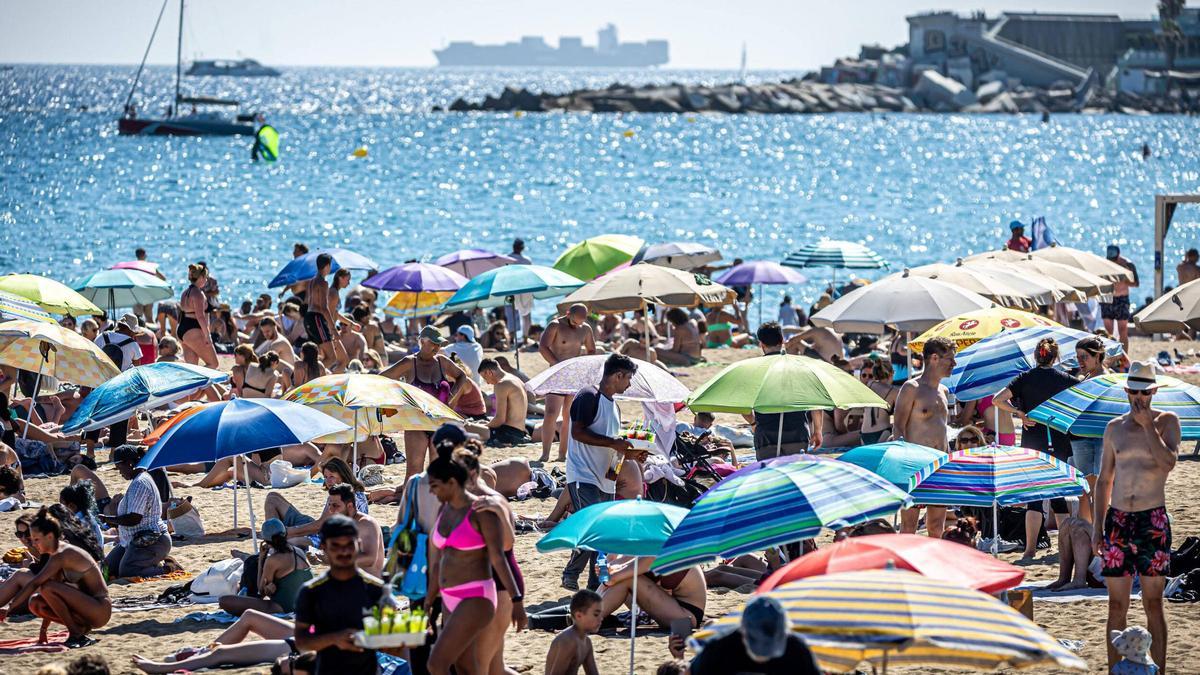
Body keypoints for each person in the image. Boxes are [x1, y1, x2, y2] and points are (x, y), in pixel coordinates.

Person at [1094, 361, 1179, 673]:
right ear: (1126, 390)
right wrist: (1097, 527)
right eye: (1133, 391)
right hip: (1118, 521)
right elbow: (1104, 480)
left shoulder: (1167, 422)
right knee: (1116, 606)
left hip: (1152, 520)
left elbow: (1167, 462)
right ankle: (1115, 670)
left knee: (1153, 604)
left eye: (1144, 391)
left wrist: (1147, 426)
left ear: (1154, 391)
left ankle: (1160, 670)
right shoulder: (1114, 427)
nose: (1138, 397)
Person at [425, 438, 527, 675]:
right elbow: (439, 559)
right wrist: (429, 600)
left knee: (459, 665)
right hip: (452, 594)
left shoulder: (487, 504)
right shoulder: (447, 506)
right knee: (480, 667)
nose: (432, 489)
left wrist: (517, 600)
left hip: (492, 587)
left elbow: (504, 552)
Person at [993, 338, 1079, 561]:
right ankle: (1064, 547)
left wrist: (1019, 414)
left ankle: (1030, 550)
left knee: (1034, 497)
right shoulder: (1066, 379)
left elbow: (997, 400)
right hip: (1059, 440)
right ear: (1055, 357)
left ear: (1036, 356)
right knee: (1059, 495)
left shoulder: (1026, 378)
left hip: (1033, 441)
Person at [561, 354, 641, 591]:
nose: (629, 384)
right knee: (594, 529)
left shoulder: (613, 405)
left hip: (606, 478)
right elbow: (577, 433)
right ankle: (571, 573)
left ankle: (594, 583)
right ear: (618, 375)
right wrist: (613, 443)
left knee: (601, 533)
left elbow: (612, 445)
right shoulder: (588, 396)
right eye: (628, 378)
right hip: (583, 474)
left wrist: (631, 454)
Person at [0, 507, 111, 648]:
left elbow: (37, 583)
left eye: (36, 539)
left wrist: (10, 607)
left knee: (45, 587)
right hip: (86, 609)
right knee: (36, 603)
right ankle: (78, 629)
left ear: (50, 537)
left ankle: (76, 634)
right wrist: (43, 630)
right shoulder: (55, 554)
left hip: (99, 609)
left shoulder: (62, 554)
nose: (33, 544)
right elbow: (51, 593)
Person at [294, 515, 385, 675]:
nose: (344, 552)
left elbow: (386, 636)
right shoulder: (312, 592)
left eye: (349, 545)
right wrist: (335, 639)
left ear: (359, 544)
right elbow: (302, 642)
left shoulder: (375, 589)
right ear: (323, 547)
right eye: (336, 545)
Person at [382, 325, 472, 481]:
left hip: (440, 424)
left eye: (439, 344)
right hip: (417, 424)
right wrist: (399, 398)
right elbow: (381, 379)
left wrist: (450, 396)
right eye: (434, 343)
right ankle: (409, 502)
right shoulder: (410, 363)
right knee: (413, 473)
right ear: (422, 342)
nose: (437, 347)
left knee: (439, 472)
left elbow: (462, 376)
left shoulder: (442, 362)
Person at [891, 336, 954, 539]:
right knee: (909, 525)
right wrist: (902, 462)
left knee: (937, 526)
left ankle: (931, 567)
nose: (954, 364)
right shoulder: (912, 388)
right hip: (914, 466)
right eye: (950, 359)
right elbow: (898, 426)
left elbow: (943, 429)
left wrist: (950, 459)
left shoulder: (944, 391)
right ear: (934, 358)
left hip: (940, 465)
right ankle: (907, 567)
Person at [132, 609, 295, 673]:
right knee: (249, 616)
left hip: (305, 646)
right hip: (310, 635)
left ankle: (161, 668)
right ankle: (202, 652)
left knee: (221, 653)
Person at [689, 596, 820, 675]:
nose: (762, 656)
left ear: (785, 633)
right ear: (743, 632)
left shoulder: (797, 651)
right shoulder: (719, 649)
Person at [97, 445, 173, 579]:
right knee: (107, 570)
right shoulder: (138, 480)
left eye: (119, 467)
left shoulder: (140, 483)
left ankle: (168, 568)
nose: (119, 472)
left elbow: (134, 519)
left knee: (128, 571)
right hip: (133, 540)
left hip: (153, 539)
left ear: (130, 463)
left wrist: (109, 519)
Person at [752, 323, 822, 459]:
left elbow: (744, 406)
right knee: (796, 474)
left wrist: (753, 423)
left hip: (766, 434)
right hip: (797, 432)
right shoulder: (799, 367)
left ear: (761, 344)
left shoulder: (755, 369)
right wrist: (817, 430)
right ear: (782, 341)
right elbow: (816, 402)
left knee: (768, 476)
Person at [538, 304, 598, 462]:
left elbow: (592, 350)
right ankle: (545, 453)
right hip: (557, 372)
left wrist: (584, 365)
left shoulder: (585, 329)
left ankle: (562, 454)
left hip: (574, 375)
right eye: (575, 321)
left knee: (569, 416)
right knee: (551, 413)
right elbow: (543, 347)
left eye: (580, 322)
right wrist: (557, 365)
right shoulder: (555, 325)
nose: (577, 325)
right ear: (567, 314)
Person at [220, 519, 312, 616]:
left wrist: (261, 560)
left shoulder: (273, 560)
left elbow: (261, 591)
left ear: (266, 541)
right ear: (285, 534)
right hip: (306, 603)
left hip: (284, 607)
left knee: (224, 600)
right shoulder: (299, 551)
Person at [598, 555, 707, 630]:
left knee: (628, 578)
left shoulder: (658, 553)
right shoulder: (648, 550)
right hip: (675, 610)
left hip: (686, 619)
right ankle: (592, 613)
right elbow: (615, 566)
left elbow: (614, 578)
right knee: (623, 577)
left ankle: (592, 615)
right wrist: (608, 569)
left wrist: (611, 573)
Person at [1070, 336, 1109, 524]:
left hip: (1101, 438)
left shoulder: (1108, 380)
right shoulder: (1084, 379)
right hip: (1081, 437)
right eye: (1078, 357)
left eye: (1084, 357)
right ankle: (1087, 529)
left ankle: (1097, 531)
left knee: (1100, 488)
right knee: (1083, 489)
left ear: (1097, 356)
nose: (1080, 361)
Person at [544, 589, 601, 675]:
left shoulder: (587, 642)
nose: (601, 618)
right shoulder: (568, 641)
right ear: (579, 616)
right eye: (596, 615)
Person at [479, 358, 531, 447]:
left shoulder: (501, 384)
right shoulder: (515, 379)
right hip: (520, 432)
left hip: (507, 434)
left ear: (489, 372)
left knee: (468, 428)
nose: (487, 383)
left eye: (485, 378)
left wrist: (484, 425)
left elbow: (500, 419)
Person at [178, 263, 218, 368]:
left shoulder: (185, 293)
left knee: (192, 368)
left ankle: (195, 383)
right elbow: (200, 316)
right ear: (200, 277)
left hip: (182, 329)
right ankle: (199, 382)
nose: (206, 280)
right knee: (213, 364)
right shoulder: (198, 294)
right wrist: (207, 336)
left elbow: (182, 312)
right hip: (193, 329)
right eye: (206, 277)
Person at [1101, 245, 1139, 354]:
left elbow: (1136, 283)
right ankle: (1108, 355)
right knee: (1108, 331)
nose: (1113, 262)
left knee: (1123, 330)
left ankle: (1124, 356)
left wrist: (1123, 279)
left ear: (1118, 256)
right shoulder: (1104, 264)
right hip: (1107, 298)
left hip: (1122, 298)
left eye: (1114, 259)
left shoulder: (1128, 264)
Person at [857, 357, 897, 445]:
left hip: (864, 436)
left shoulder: (870, 384)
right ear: (892, 373)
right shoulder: (894, 391)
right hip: (883, 434)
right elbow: (900, 418)